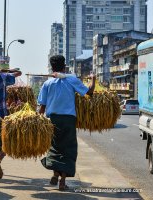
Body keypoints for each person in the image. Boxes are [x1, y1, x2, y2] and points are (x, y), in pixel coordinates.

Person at [37, 55, 96, 190]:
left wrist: (38, 120)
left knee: (54, 147)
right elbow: (89, 93)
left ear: (52, 68)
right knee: (68, 149)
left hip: (52, 120)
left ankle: (55, 174)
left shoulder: (47, 83)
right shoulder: (71, 80)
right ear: (64, 67)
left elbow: (42, 107)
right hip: (68, 120)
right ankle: (62, 181)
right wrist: (93, 80)